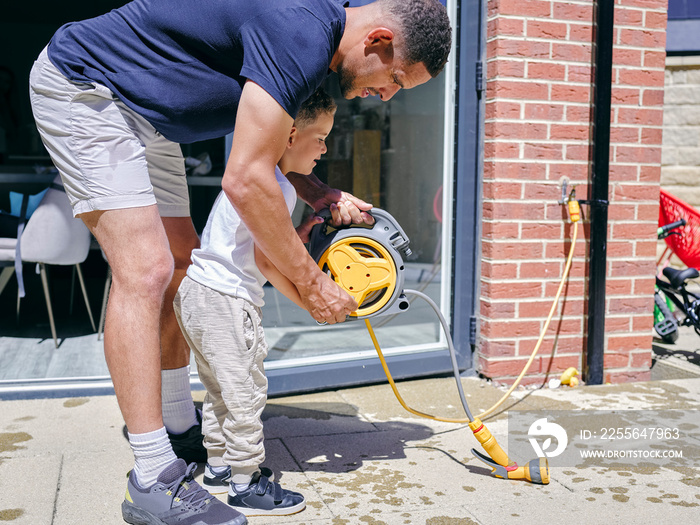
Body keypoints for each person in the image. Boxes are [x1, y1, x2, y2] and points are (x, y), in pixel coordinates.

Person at [28, 1, 451, 524]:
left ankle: (180, 429)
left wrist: (314, 189)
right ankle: (153, 479)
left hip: (151, 119)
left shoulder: (315, 48)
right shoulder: (301, 32)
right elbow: (246, 179)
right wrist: (312, 283)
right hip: (90, 88)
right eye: (394, 81)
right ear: (379, 42)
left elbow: (269, 152)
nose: (383, 96)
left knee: (182, 262)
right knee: (146, 268)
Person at [174, 88, 337, 517]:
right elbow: (266, 262)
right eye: (319, 136)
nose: (325, 147)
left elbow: (257, 244)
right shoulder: (277, 188)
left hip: (196, 293)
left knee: (218, 391)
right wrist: (310, 301)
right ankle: (246, 483)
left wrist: (299, 240)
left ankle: (219, 467)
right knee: (245, 393)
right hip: (227, 301)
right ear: (289, 135)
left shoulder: (258, 179)